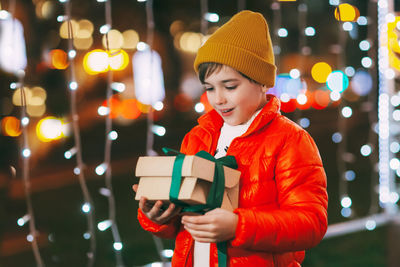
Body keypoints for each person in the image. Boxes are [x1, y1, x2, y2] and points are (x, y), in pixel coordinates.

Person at [133, 10, 328, 267]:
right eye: (210, 88)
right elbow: (183, 223)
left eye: (230, 86)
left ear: (260, 82)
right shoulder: (198, 138)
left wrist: (239, 226)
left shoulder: (290, 140)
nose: (218, 99)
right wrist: (158, 215)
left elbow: (310, 223)